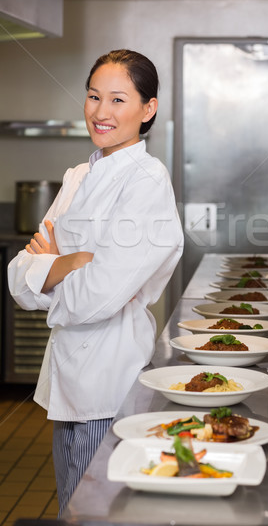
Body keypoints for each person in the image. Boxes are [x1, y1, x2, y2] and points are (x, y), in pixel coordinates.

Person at [7, 49, 184, 515]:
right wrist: (69, 264)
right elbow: (17, 279)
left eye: (118, 99)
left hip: (111, 380)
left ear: (148, 109)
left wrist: (50, 270)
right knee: (72, 507)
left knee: (96, 514)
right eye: (93, 96)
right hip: (66, 378)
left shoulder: (147, 180)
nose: (101, 112)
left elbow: (98, 298)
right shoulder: (79, 175)